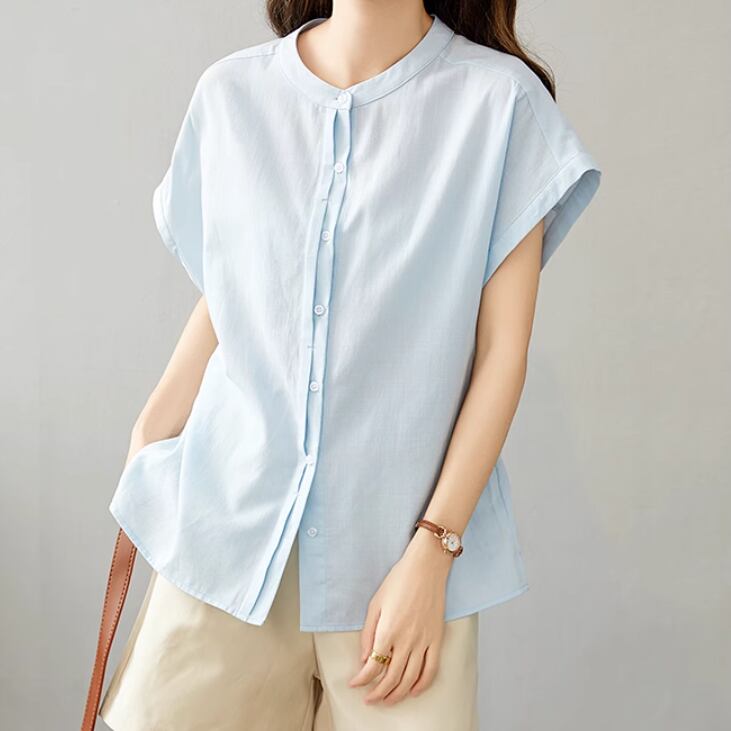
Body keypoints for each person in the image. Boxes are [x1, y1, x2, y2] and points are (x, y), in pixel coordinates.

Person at [97, 1, 601, 729]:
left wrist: (433, 553)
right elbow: (233, 294)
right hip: (225, 541)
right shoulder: (231, 94)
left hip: (398, 572)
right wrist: (150, 434)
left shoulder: (500, 105)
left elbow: (501, 354)